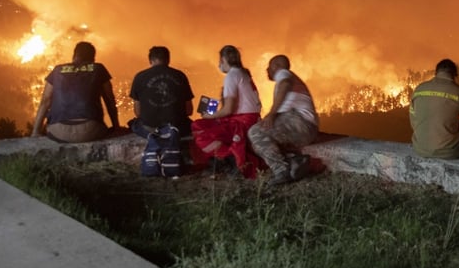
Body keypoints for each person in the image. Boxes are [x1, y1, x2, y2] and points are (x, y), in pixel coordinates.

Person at [190, 45, 263, 178]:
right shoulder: (243, 74)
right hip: (249, 119)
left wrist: (210, 116)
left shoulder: (232, 75)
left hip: (242, 122)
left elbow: (228, 109)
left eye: (220, 61)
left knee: (201, 133)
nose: (219, 65)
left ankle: (229, 158)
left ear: (223, 59)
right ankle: (224, 158)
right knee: (201, 125)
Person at [248, 54, 319, 186]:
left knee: (255, 132)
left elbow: (285, 83)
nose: (267, 70)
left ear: (277, 66)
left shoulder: (283, 73)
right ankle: (295, 162)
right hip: (305, 129)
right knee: (260, 143)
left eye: (269, 66)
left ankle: (281, 171)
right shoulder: (291, 77)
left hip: (300, 122)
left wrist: (272, 113)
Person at [31, 41, 120, 142]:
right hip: (90, 130)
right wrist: (116, 127)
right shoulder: (98, 69)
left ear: (74, 55)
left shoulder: (57, 70)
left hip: (59, 131)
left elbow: (45, 101)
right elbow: (110, 100)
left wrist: (35, 131)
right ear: (93, 58)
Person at [409, 59, 459, 159]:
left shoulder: (418, 90)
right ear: (454, 75)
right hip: (448, 152)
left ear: (436, 73)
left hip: (419, 148)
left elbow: (413, 122)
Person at [128, 46, 194, 138]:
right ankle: (171, 131)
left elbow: (138, 112)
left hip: (149, 127)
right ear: (168, 59)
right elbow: (189, 110)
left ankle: (154, 135)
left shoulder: (140, 77)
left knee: (134, 124)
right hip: (177, 126)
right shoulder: (180, 75)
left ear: (150, 61)